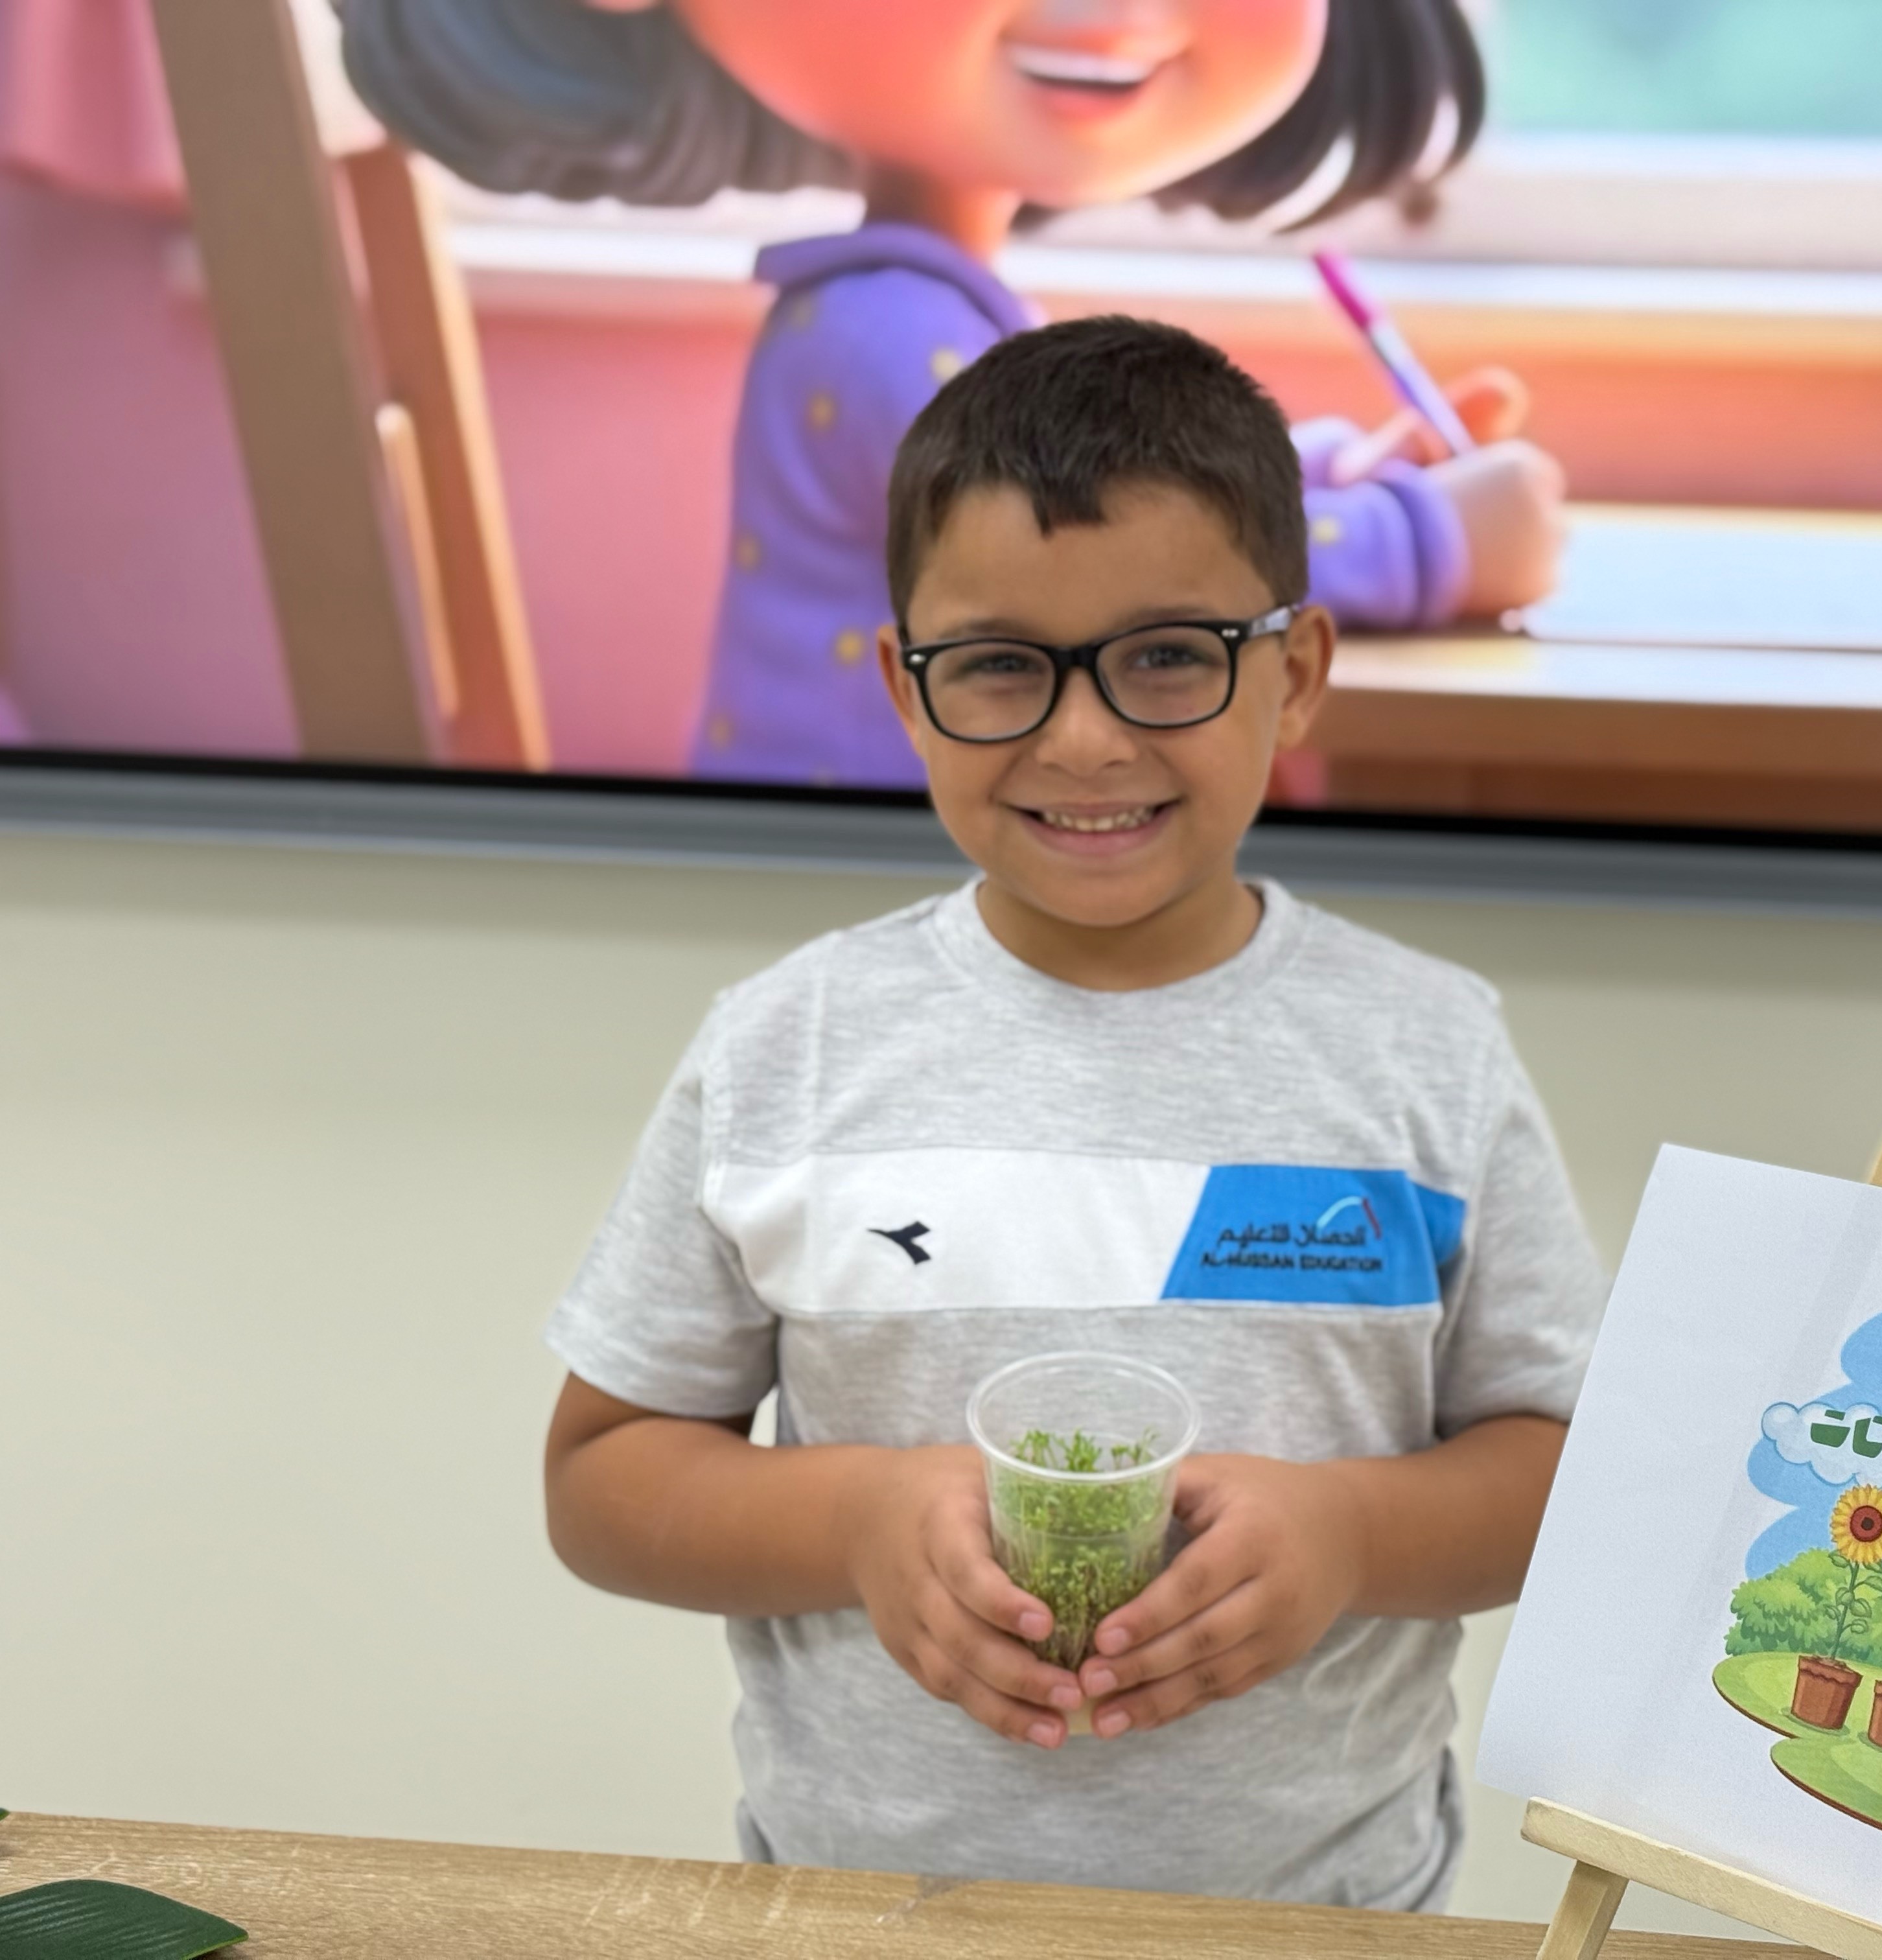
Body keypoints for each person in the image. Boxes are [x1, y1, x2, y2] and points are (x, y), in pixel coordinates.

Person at [540, 315, 1607, 1908]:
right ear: (905, 690)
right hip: (859, 1922)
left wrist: (1350, 1535)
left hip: (1326, 1929)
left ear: (1296, 673)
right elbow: (602, 1480)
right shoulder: (786, 1046)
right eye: (999, 667)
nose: (1086, 737)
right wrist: (855, 1519)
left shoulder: (1427, 1050)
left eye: (1168, 655)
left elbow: (1566, 1469)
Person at [340, 0, 1570, 788]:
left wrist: (1318, 478)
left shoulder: (923, 314)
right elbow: (1114, 557)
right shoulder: (879, 336)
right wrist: (1428, 541)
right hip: (868, 945)